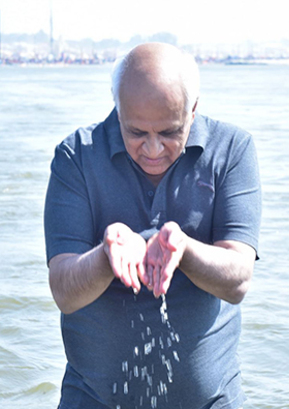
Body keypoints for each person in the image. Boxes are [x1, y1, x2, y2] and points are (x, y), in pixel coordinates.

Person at [44, 43, 261, 409]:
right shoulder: (76, 156)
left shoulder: (233, 150)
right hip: (92, 400)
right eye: (136, 133)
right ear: (118, 109)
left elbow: (238, 279)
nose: (154, 149)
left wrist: (186, 250)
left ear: (193, 110)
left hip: (212, 401)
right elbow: (64, 292)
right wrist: (105, 256)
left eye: (170, 132)